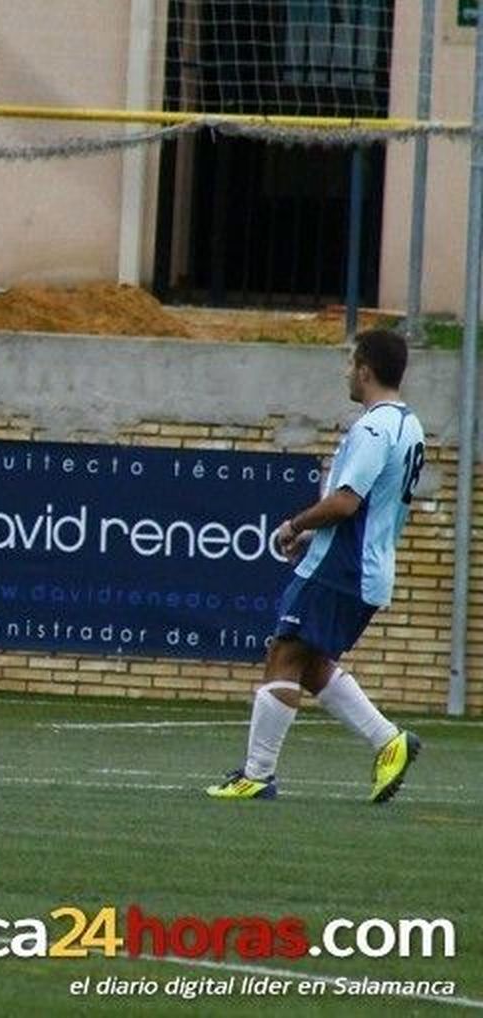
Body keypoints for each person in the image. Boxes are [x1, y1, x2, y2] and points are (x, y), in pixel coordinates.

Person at [207, 329, 423, 803]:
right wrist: (313, 533)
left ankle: (258, 775)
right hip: (367, 566)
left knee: (284, 652)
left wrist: (293, 525)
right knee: (312, 662)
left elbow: (346, 503)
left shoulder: (373, 427)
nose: (347, 372)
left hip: (340, 566)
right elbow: (370, 505)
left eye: (351, 363)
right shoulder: (410, 426)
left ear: (365, 369)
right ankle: (390, 742)